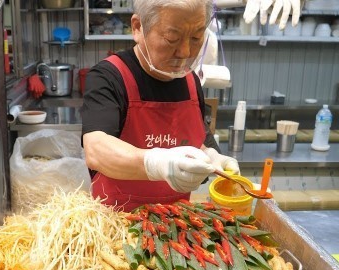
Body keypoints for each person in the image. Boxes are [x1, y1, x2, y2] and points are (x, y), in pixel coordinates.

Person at [81, 0, 240, 212]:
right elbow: (96, 149)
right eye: (172, 38)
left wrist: (212, 156)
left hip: (175, 228)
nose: (185, 52)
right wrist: (156, 164)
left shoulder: (191, 81)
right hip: (117, 222)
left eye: (196, 37)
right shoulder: (109, 77)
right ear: (138, 28)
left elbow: (197, 136)